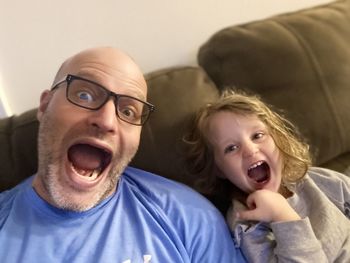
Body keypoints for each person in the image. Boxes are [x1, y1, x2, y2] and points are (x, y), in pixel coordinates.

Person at [0, 47, 246, 262]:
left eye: (128, 112)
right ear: (45, 106)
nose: (107, 121)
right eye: (84, 94)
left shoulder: (189, 218)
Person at [184, 89, 350, 262]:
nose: (250, 150)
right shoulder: (247, 227)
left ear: (277, 139)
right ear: (218, 169)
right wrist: (282, 215)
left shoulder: (317, 180)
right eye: (231, 148)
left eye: (257, 136)